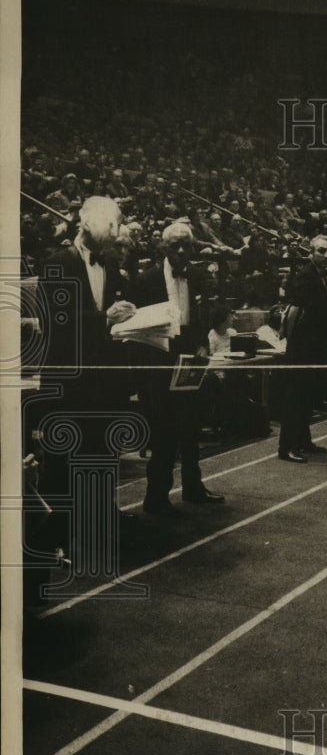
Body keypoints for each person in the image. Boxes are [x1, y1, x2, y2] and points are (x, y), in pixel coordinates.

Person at [30, 196, 138, 555]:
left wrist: (125, 317)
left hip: (101, 383)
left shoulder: (108, 265)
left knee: (99, 458)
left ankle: (92, 532)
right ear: (87, 225)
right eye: (110, 229)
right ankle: (53, 543)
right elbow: (57, 323)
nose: (113, 236)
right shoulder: (57, 262)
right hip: (68, 383)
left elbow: (103, 318)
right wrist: (105, 318)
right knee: (62, 466)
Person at [131, 221, 225, 515]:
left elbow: (205, 315)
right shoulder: (144, 280)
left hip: (190, 359)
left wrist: (202, 345)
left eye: (187, 244)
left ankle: (193, 488)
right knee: (163, 433)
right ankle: (156, 497)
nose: (182, 250)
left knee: (192, 428)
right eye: (175, 245)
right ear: (164, 247)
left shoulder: (199, 277)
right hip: (159, 361)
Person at [277, 235, 327, 462]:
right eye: (321, 251)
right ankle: (287, 447)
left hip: (316, 346)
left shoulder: (322, 277)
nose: (326, 255)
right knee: (295, 397)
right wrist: (294, 344)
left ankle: (303, 440)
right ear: (311, 252)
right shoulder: (305, 277)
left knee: (307, 395)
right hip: (302, 348)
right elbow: (294, 314)